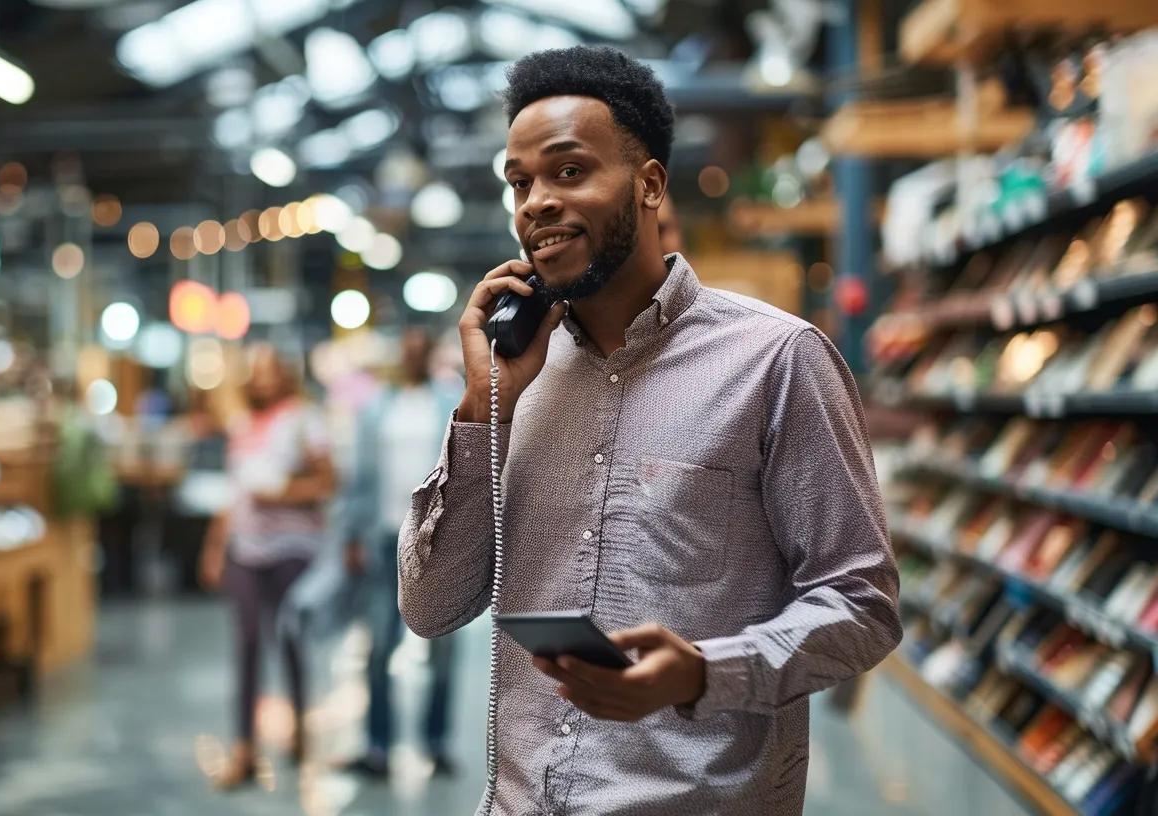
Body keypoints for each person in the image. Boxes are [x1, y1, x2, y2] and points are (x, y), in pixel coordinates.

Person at [397, 45, 901, 815]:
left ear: (650, 185)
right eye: (520, 183)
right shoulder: (516, 378)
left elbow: (862, 604)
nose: (536, 203)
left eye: (569, 171)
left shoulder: (775, 361)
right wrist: (481, 405)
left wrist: (704, 672)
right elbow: (430, 609)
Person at [198, 343, 336, 789]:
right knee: (246, 643)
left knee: (290, 638)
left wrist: (281, 494)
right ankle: (244, 748)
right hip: (245, 548)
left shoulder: (304, 420)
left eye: (269, 371)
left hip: (292, 548)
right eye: (254, 372)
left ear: (284, 375)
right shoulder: (242, 426)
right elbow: (234, 492)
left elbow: (328, 481)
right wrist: (215, 546)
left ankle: (299, 728)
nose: (261, 380)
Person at [342, 327, 465, 778]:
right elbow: (358, 476)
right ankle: (378, 746)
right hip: (383, 540)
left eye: (419, 350)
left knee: (443, 649)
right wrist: (352, 535)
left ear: (428, 355)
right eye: (406, 351)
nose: (412, 357)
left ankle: (436, 742)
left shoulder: (448, 401)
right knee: (378, 647)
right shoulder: (377, 407)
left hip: (436, 540)